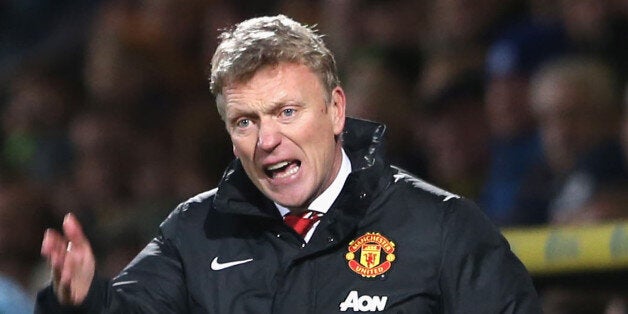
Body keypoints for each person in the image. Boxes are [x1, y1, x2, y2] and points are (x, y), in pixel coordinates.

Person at [36, 14, 541, 313]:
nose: (268, 140)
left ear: (336, 109)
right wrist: (79, 301)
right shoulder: (195, 233)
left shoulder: (443, 227)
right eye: (245, 122)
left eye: (287, 112)